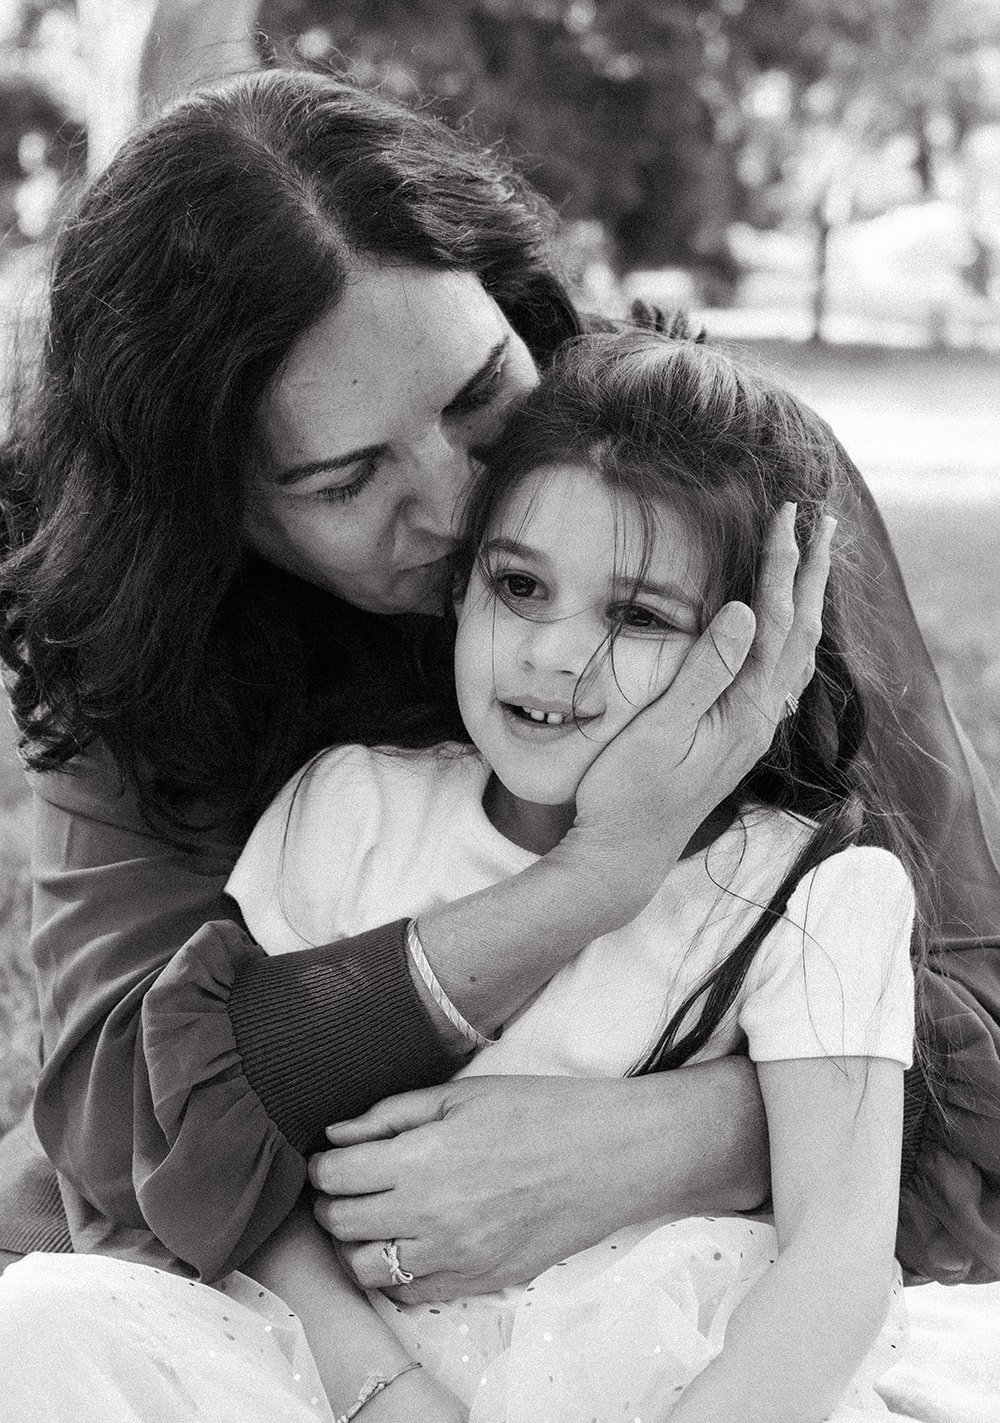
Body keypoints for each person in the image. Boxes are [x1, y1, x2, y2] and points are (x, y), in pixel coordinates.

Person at [0, 66, 996, 1306]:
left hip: (704, 1286)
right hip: (294, 1299)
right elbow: (121, 1122)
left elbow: (973, 995)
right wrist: (587, 888)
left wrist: (689, 1138)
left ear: (517, 306)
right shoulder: (143, 640)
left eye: (482, 397)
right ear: (213, 518)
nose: (467, 507)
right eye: (348, 480)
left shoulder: (724, 493)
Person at [2, 331, 998, 1423]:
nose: (555, 655)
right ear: (461, 588)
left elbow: (837, 1262)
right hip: (358, 1393)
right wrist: (382, 1397)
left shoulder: (813, 895)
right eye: (521, 586)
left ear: (754, 647)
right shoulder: (349, 809)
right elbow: (236, 1152)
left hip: (687, 1409)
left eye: (637, 617)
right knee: (37, 1336)